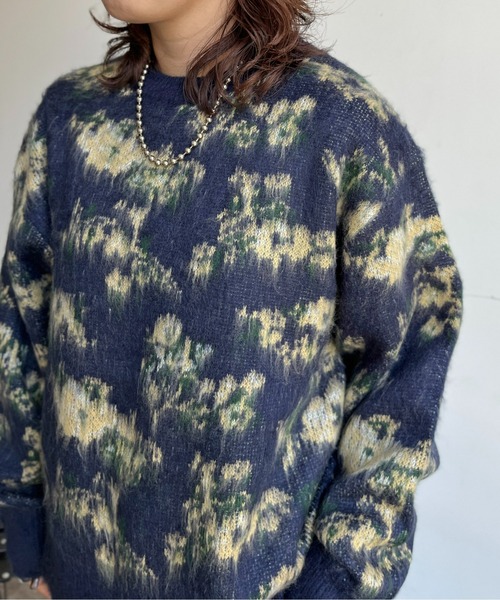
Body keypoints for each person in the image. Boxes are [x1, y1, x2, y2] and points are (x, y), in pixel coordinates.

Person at [0, 0, 464, 598]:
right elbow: (21, 336)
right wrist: (27, 539)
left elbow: (403, 372)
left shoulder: (339, 126)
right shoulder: (69, 118)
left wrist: (338, 582)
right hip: (70, 578)